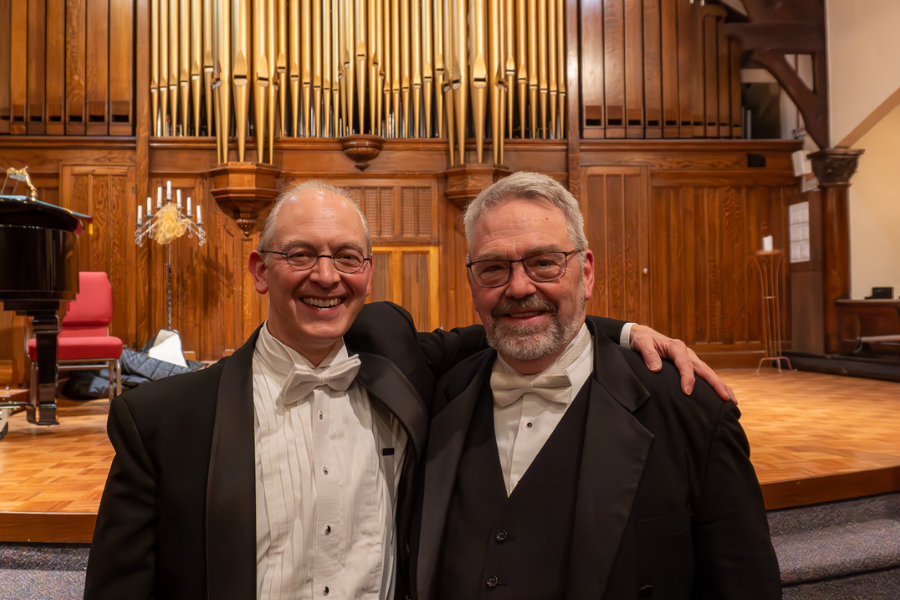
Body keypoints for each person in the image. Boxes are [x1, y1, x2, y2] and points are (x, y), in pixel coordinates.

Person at [84, 180, 736, 600]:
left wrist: (618, 331)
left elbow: (520, 318)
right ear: (260, 269)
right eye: (300, 255)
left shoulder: (395, 356)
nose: (325, 277)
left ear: (367, 272)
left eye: (346, 256)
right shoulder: (164, 421)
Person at [411, 172, 781, 600]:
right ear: (473, 281)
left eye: (544, 262)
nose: (518, 286)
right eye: (494, 268)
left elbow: (745, 584)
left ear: (585, 272)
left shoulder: (689, 406)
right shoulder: (440, 396)